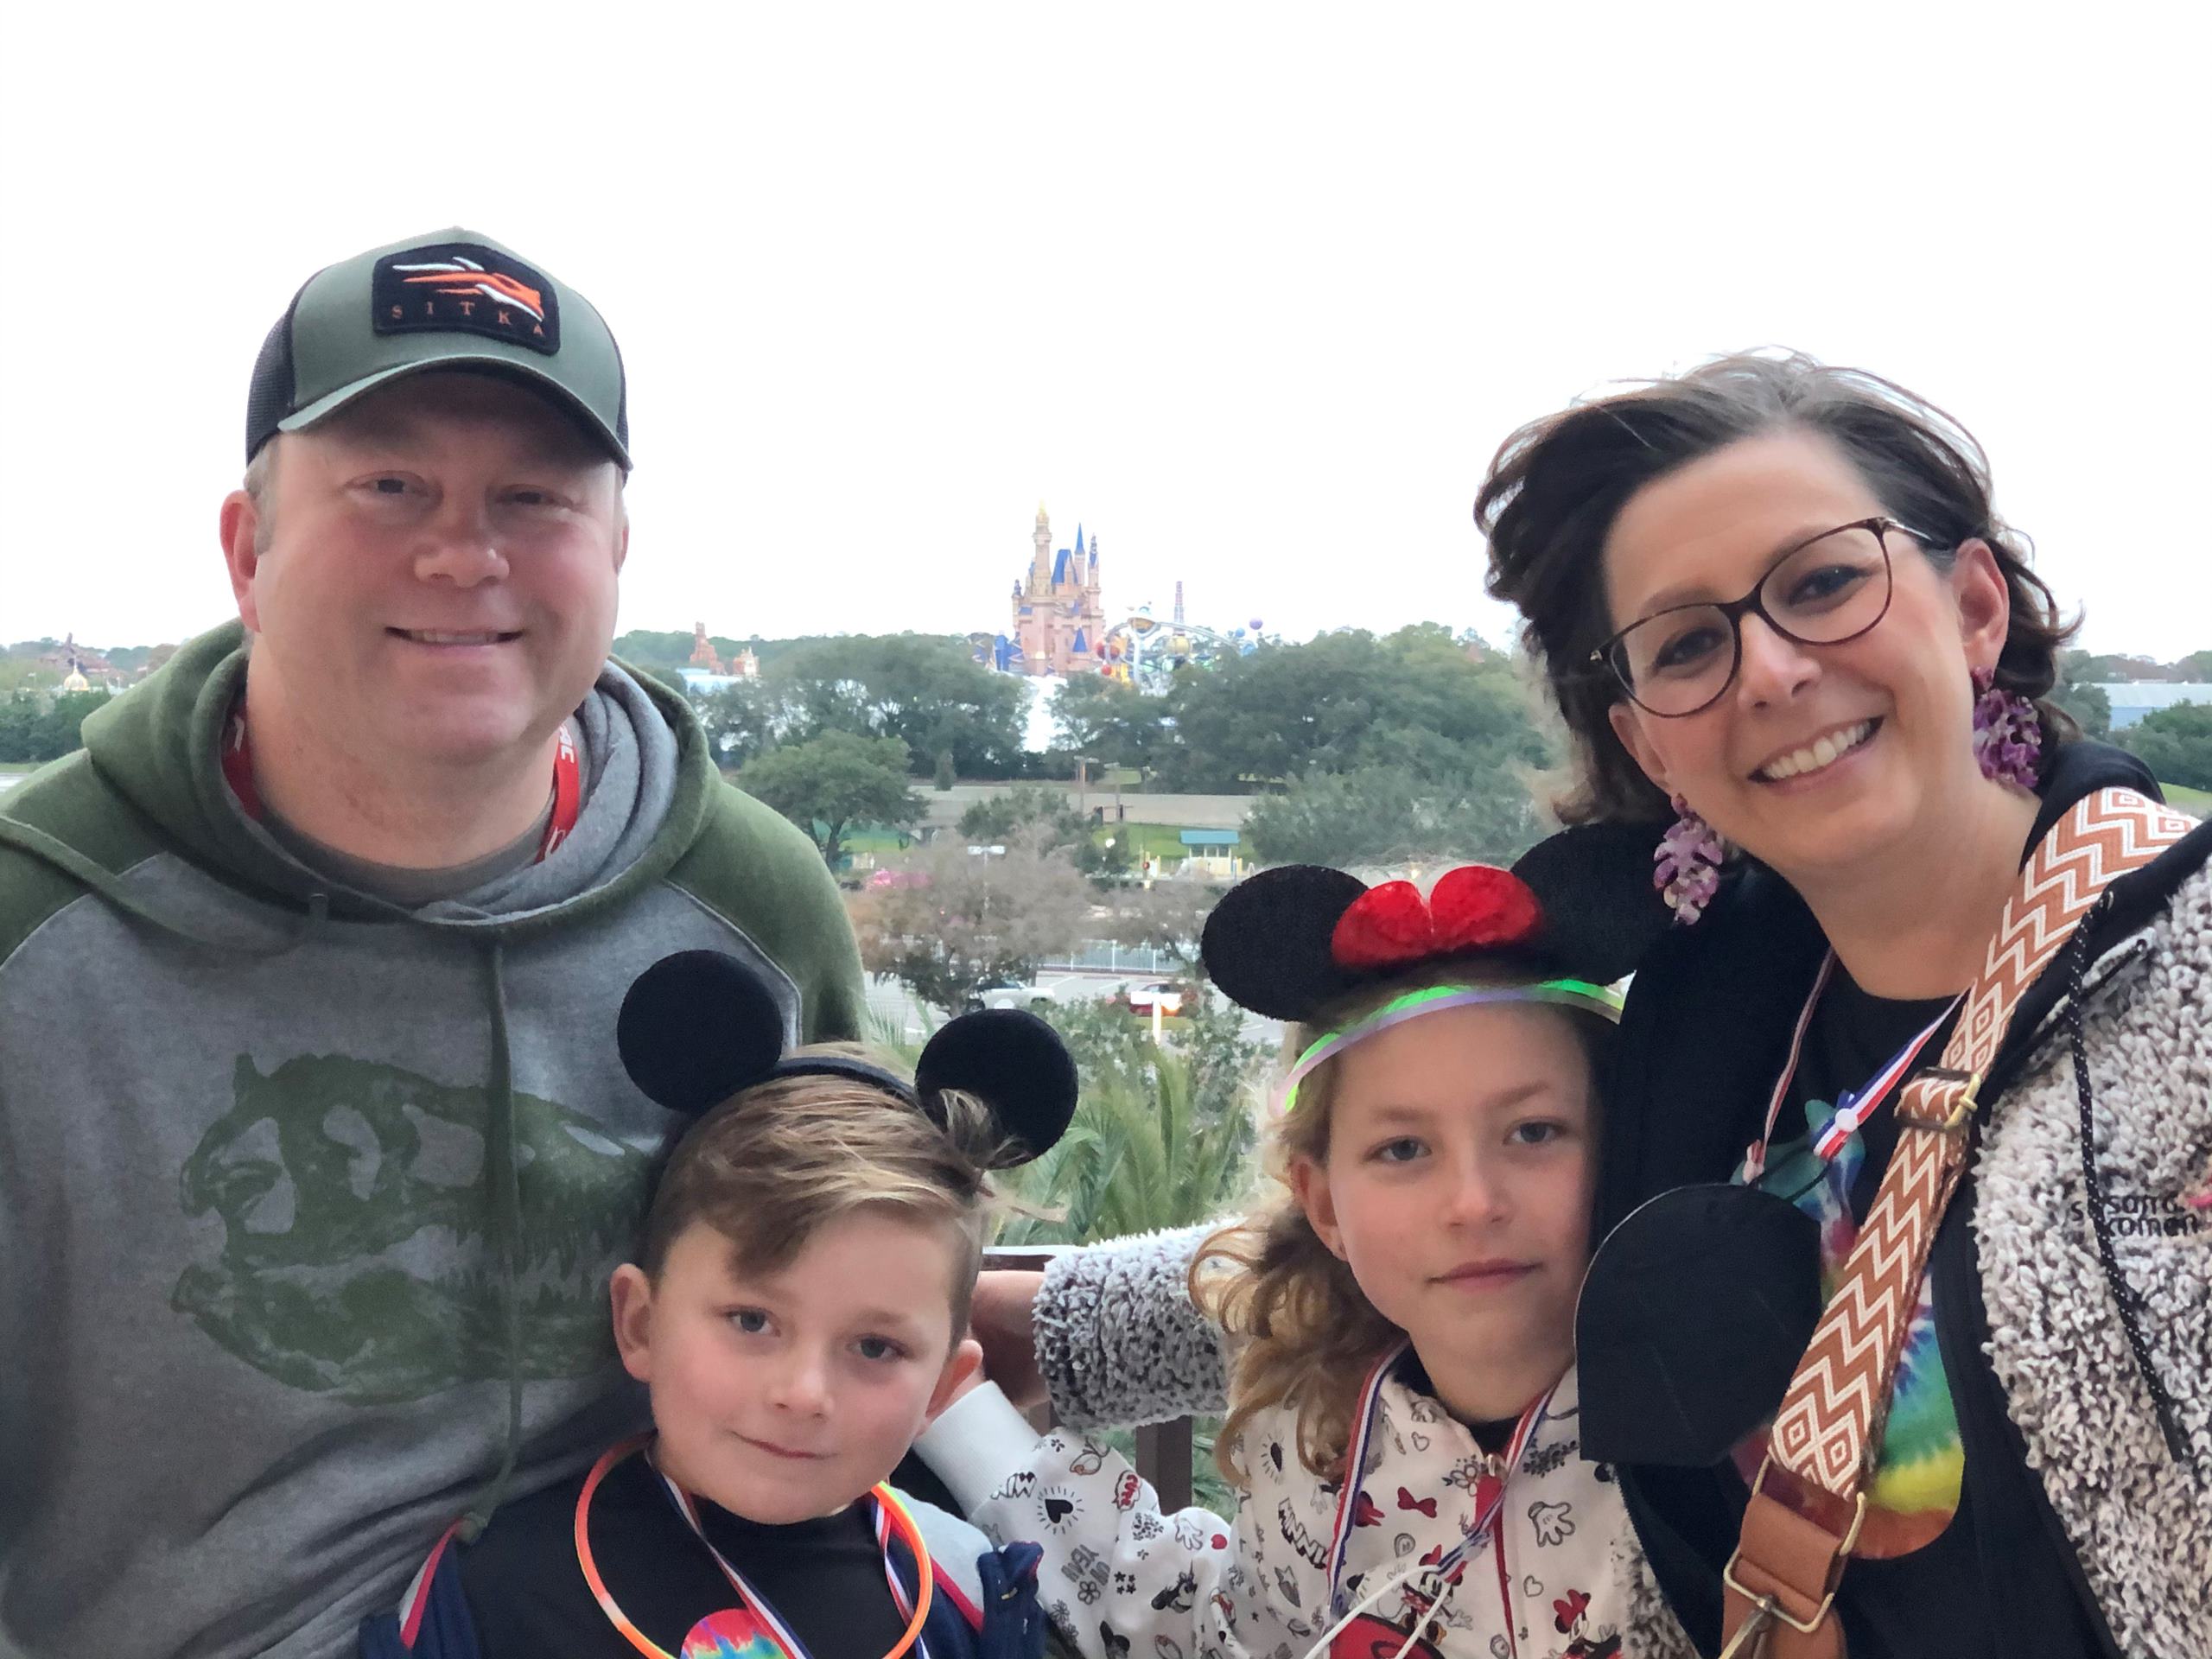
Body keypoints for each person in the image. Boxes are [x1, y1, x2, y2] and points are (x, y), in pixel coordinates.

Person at [972, 353, 2211, 1659]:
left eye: (1824, 583)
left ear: (1972, 605)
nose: (1775, 670)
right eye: (1688, 644)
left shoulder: (2178, 980)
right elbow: (1478, 1219)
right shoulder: (1717, 1019)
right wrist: (988, 1317)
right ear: (1648, 741)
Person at [0, 231, 867, 1659]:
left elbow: (868, 1290)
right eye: (389, 483)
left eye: (533, 498)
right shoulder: (35, 948)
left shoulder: (747, 907)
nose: (465, 554)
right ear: (249, 551)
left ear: (616, 558)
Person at [924, 849, 1691, 1659]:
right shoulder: (1306, 1438)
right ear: (1324, 1204)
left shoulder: (1719, 1449)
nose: (1474, 1202)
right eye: (1403, 1149)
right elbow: (1202, 1633)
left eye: (1534, 1133)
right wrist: (955, 1406)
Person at [359, 948, 1077, 1658]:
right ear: (640, 1322)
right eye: (752, 1321)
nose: (803, 1394)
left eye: (875, 1347)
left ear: (942, 1387)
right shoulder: (495, 1595)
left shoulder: (968, 1594)